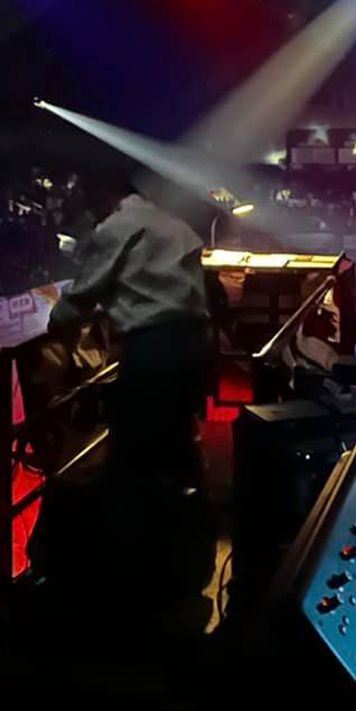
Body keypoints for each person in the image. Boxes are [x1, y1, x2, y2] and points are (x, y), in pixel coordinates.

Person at [48, 167, 212, 488]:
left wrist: (55, 323)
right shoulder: (174, 225)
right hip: (194, 340)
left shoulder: (117, 227)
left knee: (134, 439)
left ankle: (136, 521)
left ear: (103, 196)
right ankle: (191, 515)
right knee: (177, 432)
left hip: (153, 346)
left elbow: (83, 292)